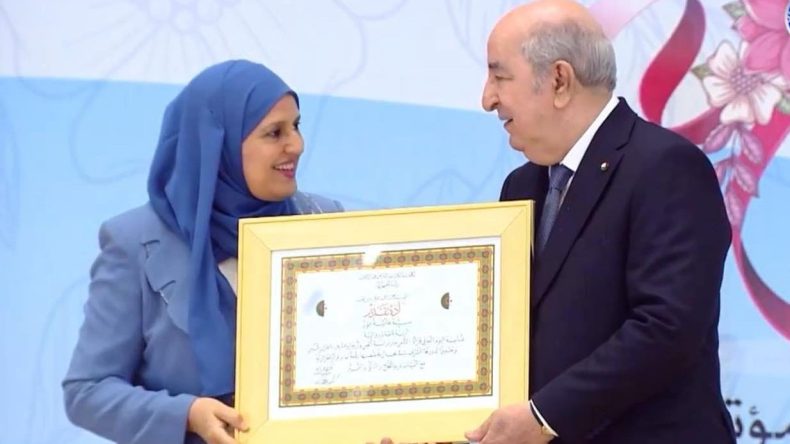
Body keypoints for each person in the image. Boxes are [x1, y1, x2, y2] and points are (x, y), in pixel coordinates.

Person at [461, 0, 736, 443]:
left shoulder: (665, 167)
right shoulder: (522, 185)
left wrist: (544, 417)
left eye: (500, 77)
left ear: (559, 80)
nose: (487, 98)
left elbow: (667, 328)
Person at [62, 60, 343, 444]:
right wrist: (186, 415)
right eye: (274, 132)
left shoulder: (324, 221)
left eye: (296, 125)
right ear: (216, 144)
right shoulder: (133, 243)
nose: (296, 145)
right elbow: (87, 391)